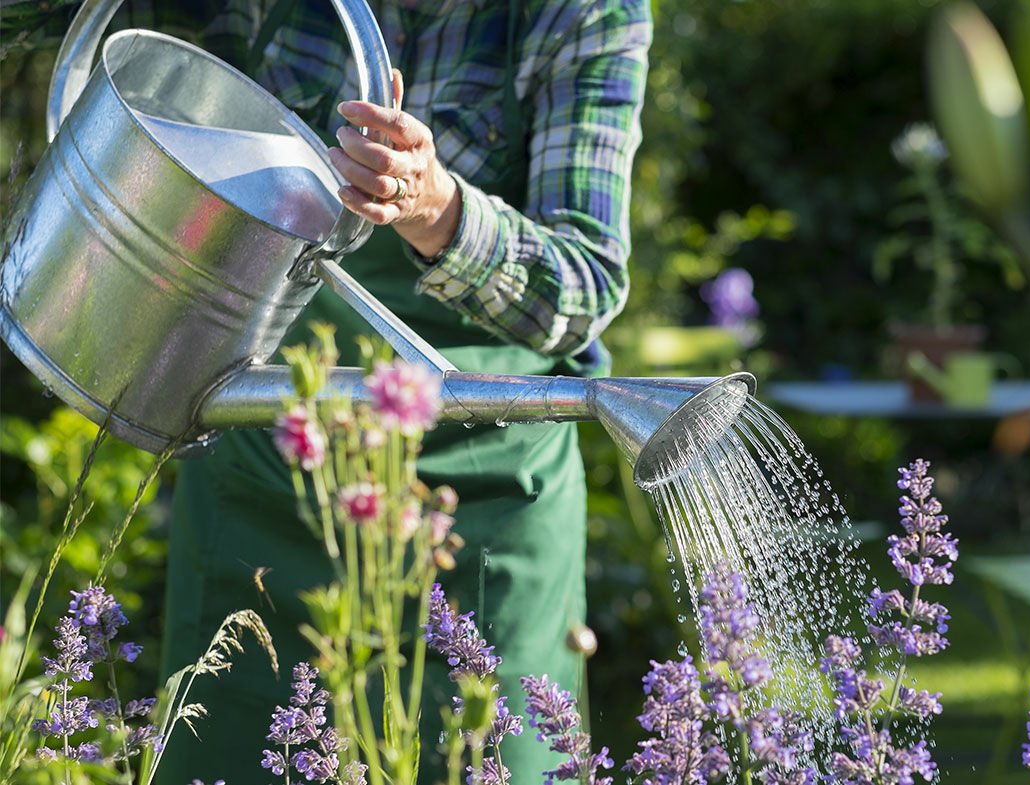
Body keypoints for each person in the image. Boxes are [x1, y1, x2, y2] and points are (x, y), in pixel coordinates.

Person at [151, 0, 653, 782]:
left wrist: (435, 208)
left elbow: (582, 287)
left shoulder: (580, 12)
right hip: (263, 468)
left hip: (482, 504)